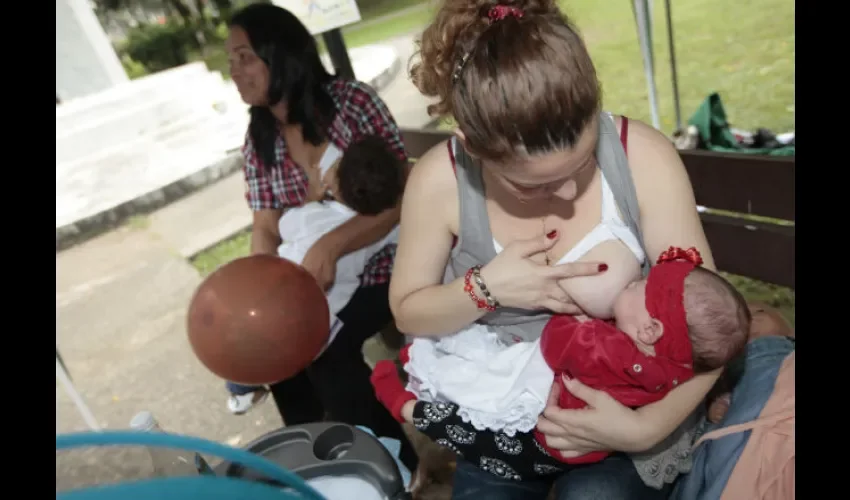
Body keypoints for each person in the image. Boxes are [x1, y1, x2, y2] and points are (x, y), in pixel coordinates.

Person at [391, 0, 723, 497]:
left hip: (630, 408)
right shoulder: (440, 180)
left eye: (583, 164)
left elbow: (709, 338)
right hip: (500, 418)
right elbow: (409, 311)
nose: (567, 195)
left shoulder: (644, 158)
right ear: (472, 148)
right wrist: (487, 289)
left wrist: (645, 429)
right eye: (535, 186)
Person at [225, 3, 419, 473]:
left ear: (282, 54)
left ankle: (395, 469)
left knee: (325, 352)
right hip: (316, 279)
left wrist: (329, 246)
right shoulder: (261, 138)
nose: (235, 72)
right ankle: (316, 467)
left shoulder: (351, 103)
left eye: (245, 56)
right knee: (279, 352)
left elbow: (399, 198)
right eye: (230, 61)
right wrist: (263, 291)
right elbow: (266, 226)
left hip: (389, 268)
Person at [373, 247, 750, 481]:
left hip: (537, 435)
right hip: (572, 434)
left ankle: (407, 403)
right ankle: (425, 364)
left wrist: (576, 322)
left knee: (476, 409)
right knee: (486, 368)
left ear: (650, 329)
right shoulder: (670, 366)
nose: (633, 280)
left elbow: (556, 344)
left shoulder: (610, 351)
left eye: (641, 286)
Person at [225, 136, 405, 414]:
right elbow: (398, 228)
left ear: (337, 188)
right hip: (326, 312)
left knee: (247, 335)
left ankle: (242, 387)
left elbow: (284, 225)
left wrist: (310, 200)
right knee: (286, 340)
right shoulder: (378, 227)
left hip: (284, 289)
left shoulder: (313, 215)